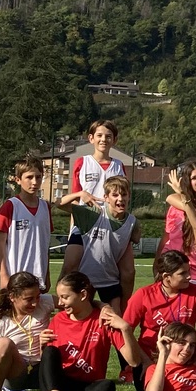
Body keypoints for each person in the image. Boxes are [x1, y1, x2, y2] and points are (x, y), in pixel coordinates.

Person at [14, 272, 142, 391]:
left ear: (83, 295)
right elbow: (47, 363)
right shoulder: (58, 320)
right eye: (59, 297)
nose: (60, 303)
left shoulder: (103, 320)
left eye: (65, 297)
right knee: (49, 351)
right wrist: (42, 346)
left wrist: (126, 329)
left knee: (107, 387)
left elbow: (134, 361)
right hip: (58, 385)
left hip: (87, 386)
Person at [123, 250, 196, 391]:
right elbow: (125, 331)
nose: (189, 276)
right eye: (182, 273)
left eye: (189, 271)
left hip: (183, 359)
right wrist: (144, 360)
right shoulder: (144, 295)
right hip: (151, 359)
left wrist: (193, 357)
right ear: (166, 277)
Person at [64, 176, 140, 314]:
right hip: (86, 276)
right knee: (81, 314)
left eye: (124, 194)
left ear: (129, 196)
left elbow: (136, 238)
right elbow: (60, 204)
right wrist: (80, 194)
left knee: (116, 315)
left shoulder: (132, 222)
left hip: (109, 278)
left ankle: (123, 314)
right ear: (106, 197)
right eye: (115, 195)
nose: (120, 199)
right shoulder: (94, 213)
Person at [61, 120, 125, 279]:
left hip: (110, 226)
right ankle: (63, 297)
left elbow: (124, 199)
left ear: (114, 140)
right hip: (84, 225)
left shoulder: (119, 166)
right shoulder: (82, 162)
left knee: (121, 272)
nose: (103, 139)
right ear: (91, 138)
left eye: (108, 136)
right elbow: (75, 201)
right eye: (99, 135)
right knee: (69, 268)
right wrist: (72, 229)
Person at [0, 156, 52, 290]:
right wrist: (3, 275)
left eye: (38, 177)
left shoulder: (45, 207)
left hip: (38, 279)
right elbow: (0, 244)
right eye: (29, 177)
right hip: (16, 279)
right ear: (18, 180)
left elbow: (45, 244)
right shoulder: (10, 206)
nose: (35, 182)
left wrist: (47, 275)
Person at [160, 160, 196, 285]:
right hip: (174, 272)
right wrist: (157, 264)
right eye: (194, 178)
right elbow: (166, 238)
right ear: (188, 182)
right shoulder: (175, 208)